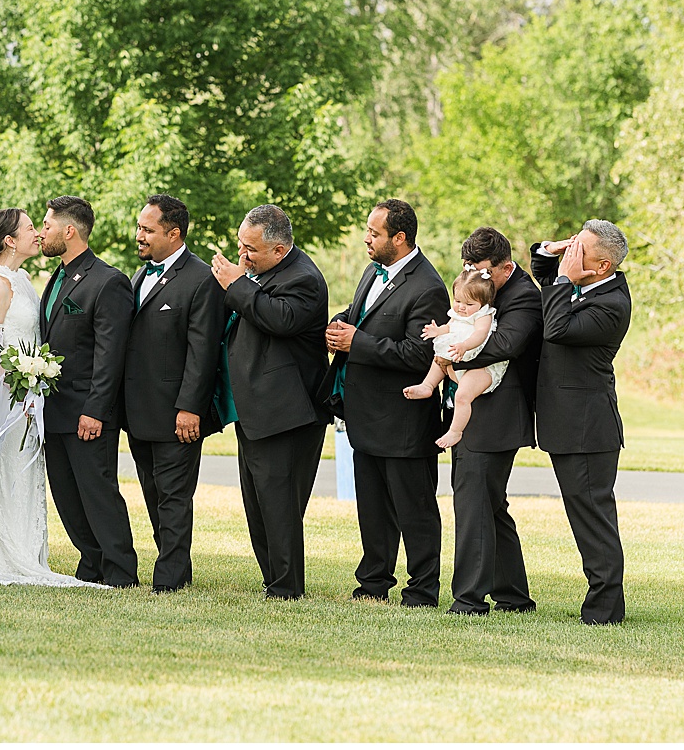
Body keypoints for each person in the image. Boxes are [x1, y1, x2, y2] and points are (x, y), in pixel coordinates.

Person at [325, 199, 450, 608]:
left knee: (414, 510)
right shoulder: (372, 269)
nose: (366, 238)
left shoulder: (427, 286)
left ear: (400, 238)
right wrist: (339, 323)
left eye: (374, 233)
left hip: (404, 419)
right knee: (374, 509)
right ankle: (374, 583)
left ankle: (422, 590)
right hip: (367, 415)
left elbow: (418, 354)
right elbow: (364, 314)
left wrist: (356, 342)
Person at [0, 208, 98, 587]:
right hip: (11, 395)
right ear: (9, 240)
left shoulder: (22, 278)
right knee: (7, 464)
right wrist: (18, 384)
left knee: (26, 468)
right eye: (29, 228)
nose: (38, 234)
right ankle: (5, 552)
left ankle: (29, 549)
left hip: (32, 394)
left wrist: (37, 381)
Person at [211, 204, 331, 600]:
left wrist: (235, 284)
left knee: (280, 504)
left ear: (279, 250)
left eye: (251, 250)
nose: (242, 256)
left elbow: (280, 319)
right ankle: (272, 578)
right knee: (257, 503)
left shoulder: (304, 278)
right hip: (255, 409)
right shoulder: (261, 272)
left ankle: (286, 586)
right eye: (240, 246)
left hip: (289, 412)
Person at [122, 195, 224, 594]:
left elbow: (203, 352)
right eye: (139, 227)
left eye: (147, 230)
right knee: (153, 495)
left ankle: (170, 580)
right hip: (138, 412)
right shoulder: (140, 274)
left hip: (177, 414)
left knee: (174, 497)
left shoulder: (200, 279)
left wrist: (189, 409)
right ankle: (175, 565)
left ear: (174, 233)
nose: (139, 236)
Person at [532, 220, 633, 625]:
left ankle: (605, 610)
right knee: (585, 516)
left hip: (588, 430)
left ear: (603, 266)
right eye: (573, 245)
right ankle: (603, 604)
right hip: (569, 426)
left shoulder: (611, 305)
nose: (572, 255)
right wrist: (554, 251)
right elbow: (544, 274)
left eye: (581, 250)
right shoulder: (586, 285)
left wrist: (561, 277)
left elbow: (556, 329)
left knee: (593, 518)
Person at [38, 196, 138, 587]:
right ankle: (91, 564)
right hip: (52, 410)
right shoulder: (56, 277)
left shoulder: (107, 281)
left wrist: (95, 410)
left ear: (69, 231)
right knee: (66, 495)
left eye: (47, 226)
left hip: (87, 412)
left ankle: (120, 571)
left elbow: (110, 355)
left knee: (98, 493)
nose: (42, 232)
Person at [441, 226, 541, 616]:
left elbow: (506, 345)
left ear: (506, 267)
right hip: (477, 407)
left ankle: (468, 601)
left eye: (482, 270)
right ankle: (514, 597)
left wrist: (453, 356)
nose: (474, 276)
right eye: (468, 267)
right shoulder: (482, 291)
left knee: (473, 507)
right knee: (491, 507)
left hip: (496, 415)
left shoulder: (524, 297)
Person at [404, 267, 509, 449]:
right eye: (458, 300)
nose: (461, 307)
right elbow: (449, 327)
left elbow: (480, 335)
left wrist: (465, 345)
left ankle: (455, 431)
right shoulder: (458, 314)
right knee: (438, 358)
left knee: (462, 395)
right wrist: (437, 331)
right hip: (458, 357)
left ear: (484, 303)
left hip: (481, 367)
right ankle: (427, 385)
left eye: (469, 304)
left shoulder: (483, 315)